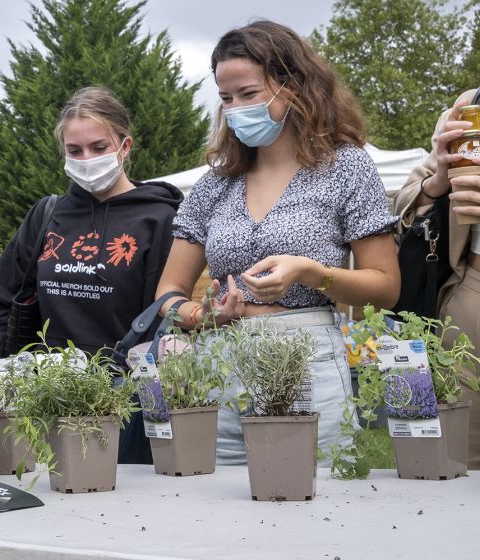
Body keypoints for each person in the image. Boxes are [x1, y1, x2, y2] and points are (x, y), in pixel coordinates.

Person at [155, 21, 400, 465]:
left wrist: (310, 272)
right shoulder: (216, 184)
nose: (235, 109)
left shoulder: (345, 166)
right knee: (218, 510)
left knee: (315, 504)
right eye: (226, 98)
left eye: (248, 94)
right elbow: (168, 293)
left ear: (293, 86)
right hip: (220, 367)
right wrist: (198, 314)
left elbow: (385, 286)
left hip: (311, 364)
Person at [0, 86, 183, 463]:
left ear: (125, 147)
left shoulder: (160, 218)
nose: (86, 159)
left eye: (99, 147)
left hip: (125, 402)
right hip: (44, 395)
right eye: (74, 151)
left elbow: (166, 316)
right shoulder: (48, 214)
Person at [393, 0, 480, 470]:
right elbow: (407, 204)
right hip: (464, 311)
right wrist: (438, 182)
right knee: (461, 472)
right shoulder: (473, 105)